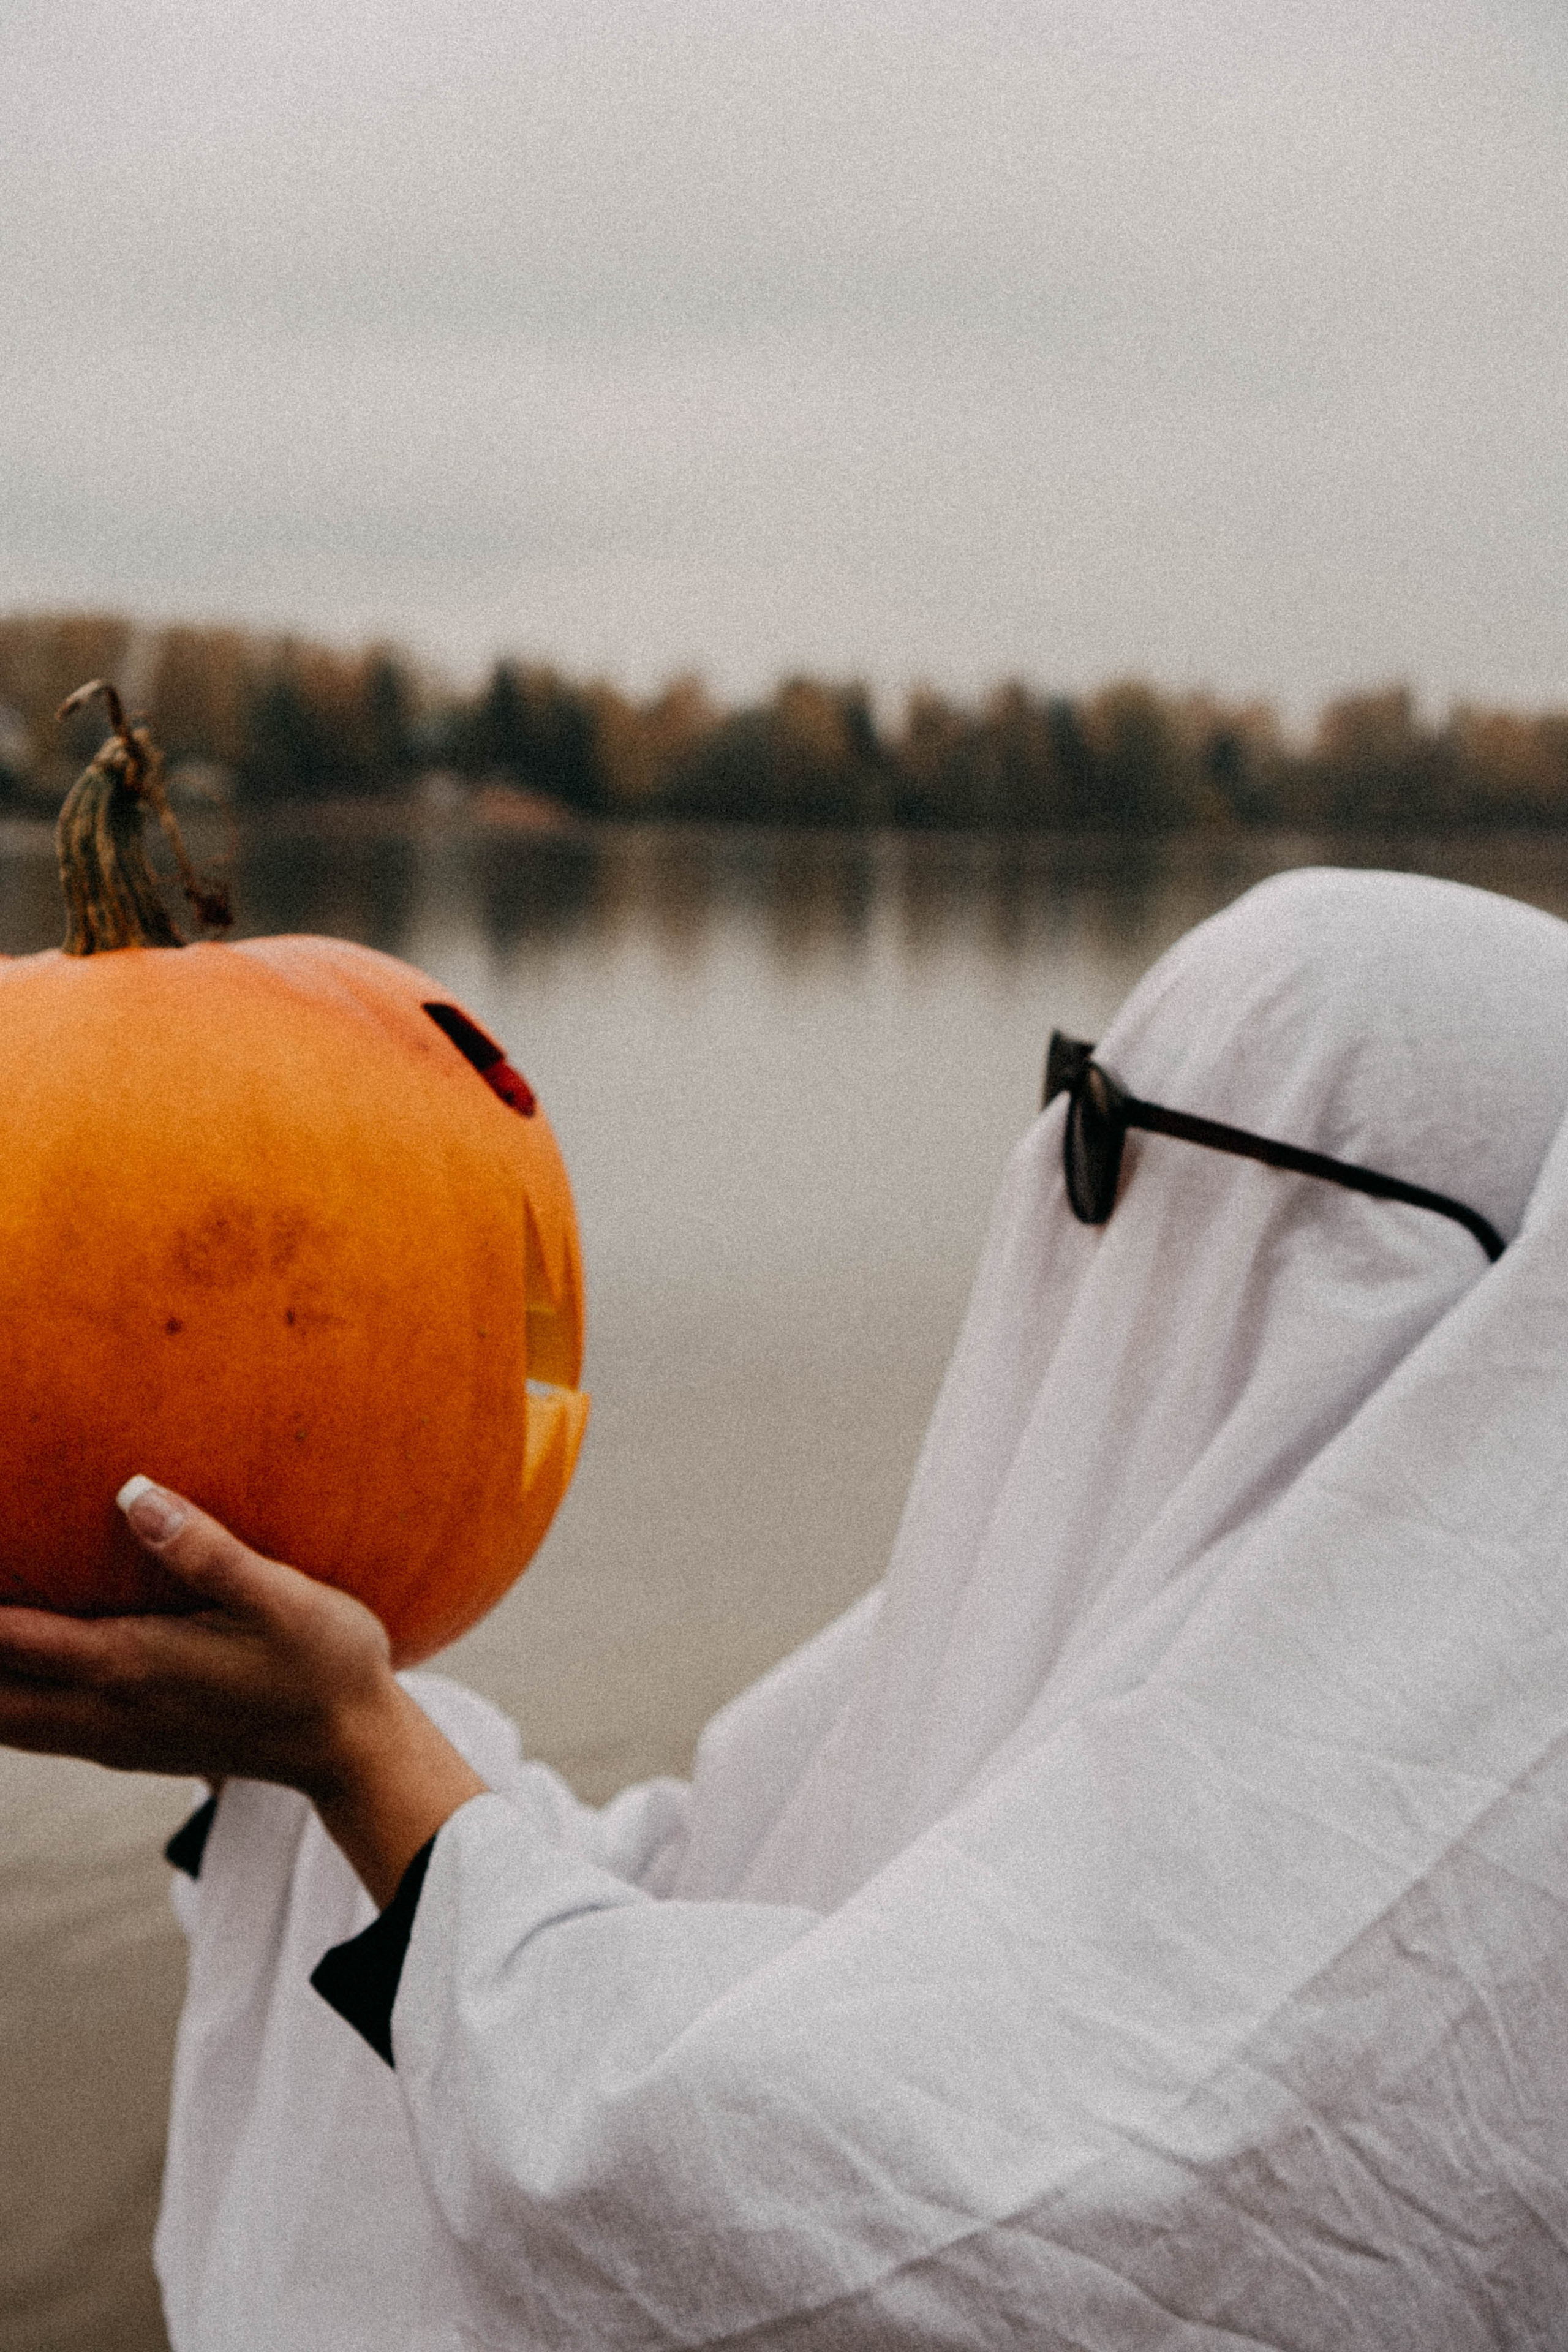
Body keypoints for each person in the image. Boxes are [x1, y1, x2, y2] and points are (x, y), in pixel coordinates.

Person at [4, 864, 1568, 2350]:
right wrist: (300, 1743)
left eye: (1104, 1145)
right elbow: (716, 1902)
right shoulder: (1135, 1633)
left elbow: (821, 2219)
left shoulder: (1402, 1919)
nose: (1061, 1202)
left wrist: (355, 1750)